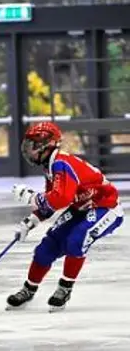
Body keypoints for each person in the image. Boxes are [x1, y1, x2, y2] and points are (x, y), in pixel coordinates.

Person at [8, 122, 123, 311]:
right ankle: (29, 289)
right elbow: (50, 202)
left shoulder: (61, 164)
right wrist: (30, 222)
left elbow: (61, 199)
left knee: (77, 239)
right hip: (81, 207)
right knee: (47, 246)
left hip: (105, 207)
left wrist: (31, 197)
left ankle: (65, 287)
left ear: (47, 145)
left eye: (33, 146)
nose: (29, 151)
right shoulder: (50, 166)